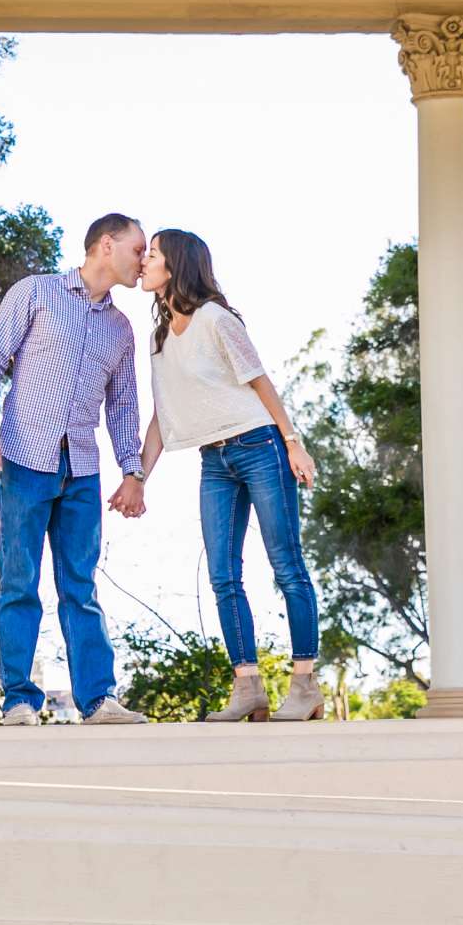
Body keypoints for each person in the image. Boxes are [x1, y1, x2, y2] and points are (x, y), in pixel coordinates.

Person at [0, 213, 153, 727]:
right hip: (23, 458)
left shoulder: (120, 328)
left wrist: (132, 470)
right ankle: (20, 701)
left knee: (80, 584)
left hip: (83, 470)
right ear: (107, 245)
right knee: (19, 580)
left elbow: (123, 407)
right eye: (138, 249)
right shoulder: (36, 292)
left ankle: (98, 700)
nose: (144, 261)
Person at [134, 228, 324, 723]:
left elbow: (261, 382)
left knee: (287, 565)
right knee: (223, 574)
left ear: (175, 264)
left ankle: (304, 685)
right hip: (213, 461)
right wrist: (138, 476)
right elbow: (161, 414)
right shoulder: (157, 339)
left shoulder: (217, 319)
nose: (144, 261)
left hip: (259, 446)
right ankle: (248, 689)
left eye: (151, 254)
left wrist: (292, 443)